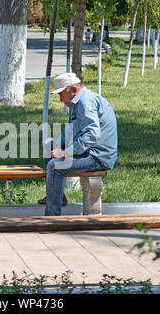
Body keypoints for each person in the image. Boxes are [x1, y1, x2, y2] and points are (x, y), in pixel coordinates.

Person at [41, 72, 118, 216]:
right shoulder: (78, 102)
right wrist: (58, 144)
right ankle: (57, 195)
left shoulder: (85, 102)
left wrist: (65, 153)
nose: (60, 99)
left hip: (98, 156)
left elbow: (91, 135)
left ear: (73, 90)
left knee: (55, 166)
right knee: (50, 144)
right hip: (89, 151)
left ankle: (52, 217)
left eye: (61, 94)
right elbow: (71, 132)